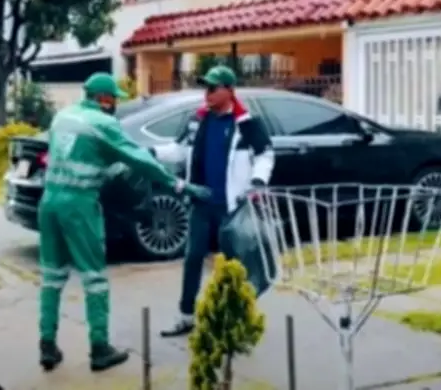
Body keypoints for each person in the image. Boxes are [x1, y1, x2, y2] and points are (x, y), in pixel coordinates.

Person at [37, 72, 210, 372]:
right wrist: (179, 185)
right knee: (94, 279)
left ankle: (47, 345)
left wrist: (109, 168)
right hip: (79, 205)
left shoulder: (62, 117)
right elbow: (138, 159)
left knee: (52, 277)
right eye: (113, 98)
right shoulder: (103, 123)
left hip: (49, 202)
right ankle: (100, 348)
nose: (115, 103)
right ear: (103, 98)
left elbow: (79, 158)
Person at [154, 65, 275, 337]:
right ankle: (186, 315)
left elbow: (266, 154)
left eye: (212, 88)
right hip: (201, 203)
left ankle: (236, 316)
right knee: (193, 258)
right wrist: (151, 153)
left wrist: (257, 181)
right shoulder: (198, 121)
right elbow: (177, 150)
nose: (206, 93)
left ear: (229, 91)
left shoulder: (246, 124)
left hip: (231, 208)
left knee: (234, 263)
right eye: (205, 88)